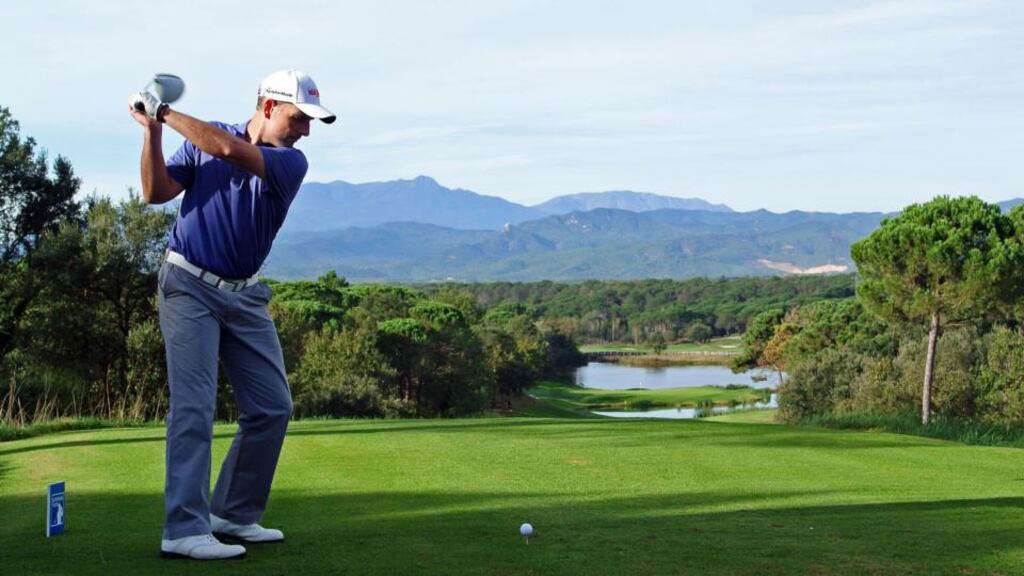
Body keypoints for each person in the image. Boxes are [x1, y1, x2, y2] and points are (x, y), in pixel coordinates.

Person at [128, 70, 336, 560]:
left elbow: (226, 150)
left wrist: (162, 110)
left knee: (272, 406)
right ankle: (183, 529)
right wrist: (153, 132)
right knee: (194, 406)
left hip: (244, 296)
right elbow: (155, 192)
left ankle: (234, 515)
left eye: (310, 122)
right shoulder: (205, 138)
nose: (305, 130)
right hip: (187, 287)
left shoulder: (290, 163)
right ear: (268, 107)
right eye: (298, 118)